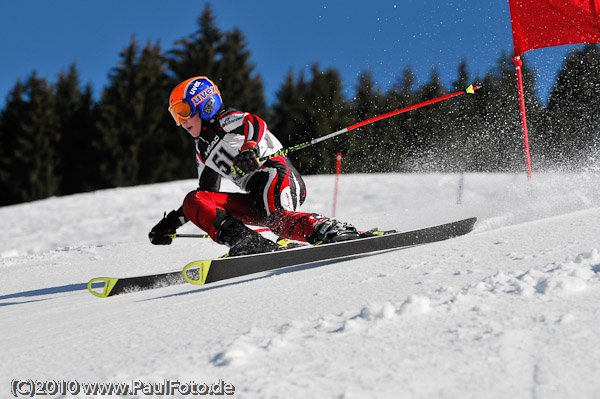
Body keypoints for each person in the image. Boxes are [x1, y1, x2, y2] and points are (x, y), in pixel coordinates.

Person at [148, 76, 360, 256]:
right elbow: (207, 194)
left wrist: (249, 148)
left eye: (184, 110)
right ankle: (247, 243)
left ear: (205, 104)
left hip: (277, 175)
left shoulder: (224, 121)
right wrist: (173, 222)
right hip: (256, 197)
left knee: (278, 221)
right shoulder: (202, 149)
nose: (181, 121)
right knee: (194, 200)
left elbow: (254, 122)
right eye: (176, 114)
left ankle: (329, 230)